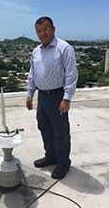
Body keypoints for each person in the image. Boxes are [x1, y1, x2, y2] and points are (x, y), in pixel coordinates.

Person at [26, 16, 78, 179]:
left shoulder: (64, 48)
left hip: (58, 96)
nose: (43, 33)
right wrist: (29, 94)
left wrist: (67, 98)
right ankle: (51, 156)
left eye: (46, 29)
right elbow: (32, 75)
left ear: (53, 29)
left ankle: (63, 163)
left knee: (60, 132)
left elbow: (71, 74)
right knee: (44, 128)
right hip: (42, 96)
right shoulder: (36, 51)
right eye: (39, 31)